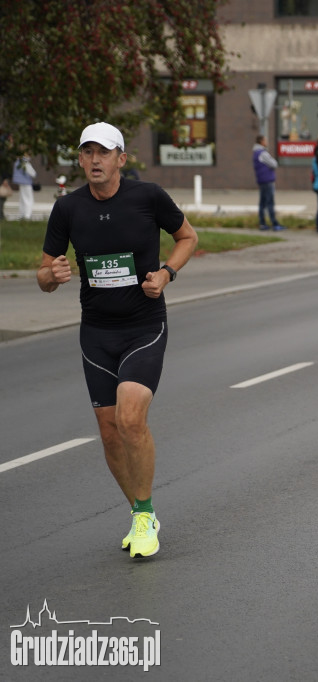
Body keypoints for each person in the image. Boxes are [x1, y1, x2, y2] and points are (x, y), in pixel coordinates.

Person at [37, 122, 198, 558]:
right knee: (109, 433)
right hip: (97, 332)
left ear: (121, 159)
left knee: (130, 419)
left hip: (144, 326)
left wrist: (166, 274)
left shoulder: (147, 197)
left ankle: (144, 514)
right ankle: (139, 512)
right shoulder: (68, 208)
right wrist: (50, 276)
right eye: (87, 152)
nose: (94, 160)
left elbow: (188, 236)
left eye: (103, 152)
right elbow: (43, 273)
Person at [253, 134, 284, 231]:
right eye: (265, 140)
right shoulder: (262, 153)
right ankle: (274, 223)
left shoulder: (255, 152)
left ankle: (262, 223)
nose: (266, 142)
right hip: (267, 180)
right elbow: (274, 164)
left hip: (261, 180)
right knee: (270, 202)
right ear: (261, 141)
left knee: (262, 203)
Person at [13, 152, 37, 220]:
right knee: (28, 199)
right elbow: (33, 173)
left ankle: (22, 214)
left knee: (22, 198)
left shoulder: (17, 162)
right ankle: (27, 215)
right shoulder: (25, 163)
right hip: (26, 183)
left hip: (20, 182)